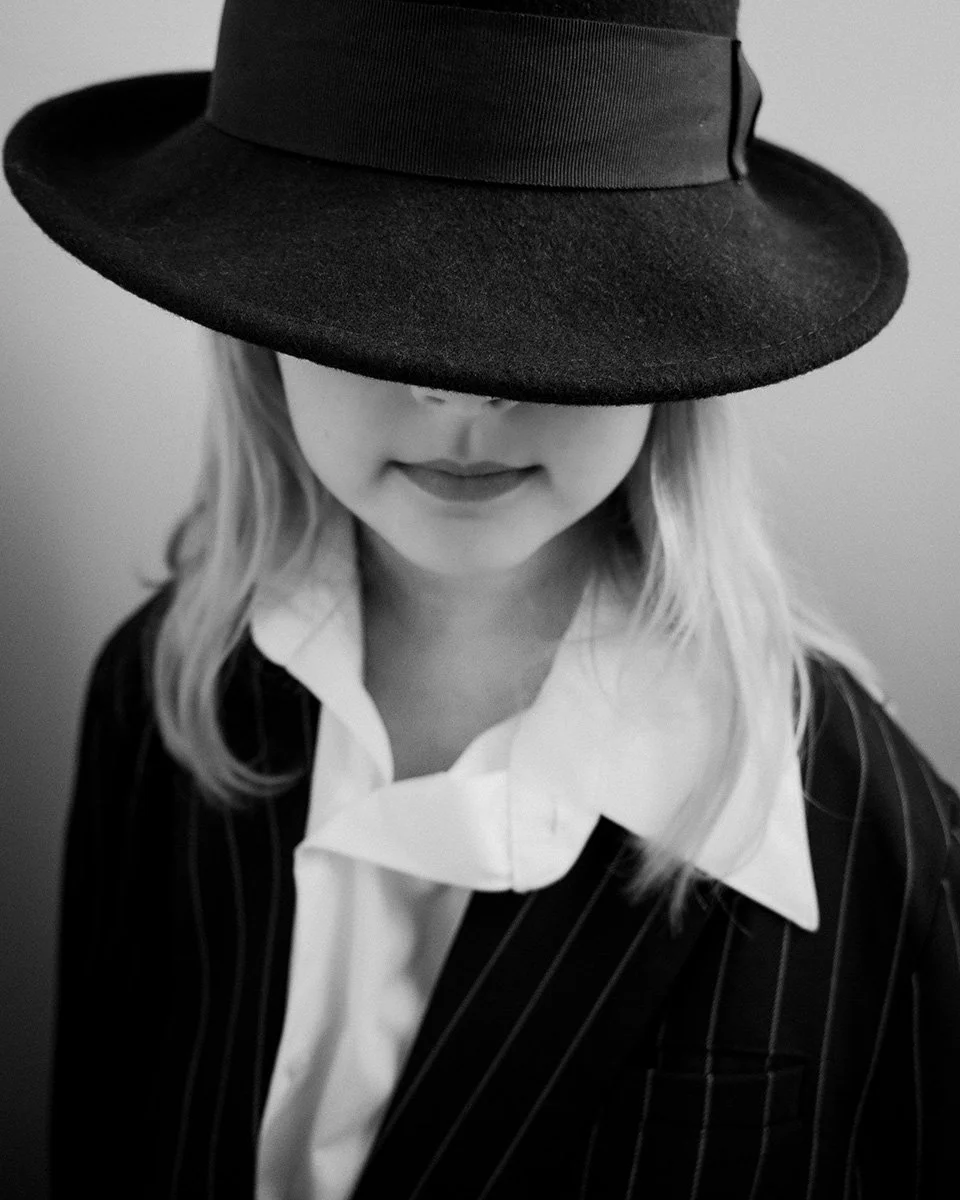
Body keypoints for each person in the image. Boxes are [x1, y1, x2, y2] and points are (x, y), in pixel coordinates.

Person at [4, 0, 959, 1197]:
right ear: (252, 327)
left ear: (686, 343)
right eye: (367, 290)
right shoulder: (163, 693)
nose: (460, 393)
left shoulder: (868, 837)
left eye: (561, 296)